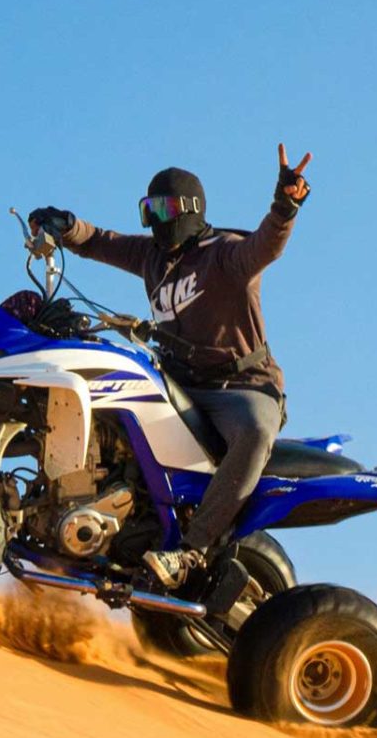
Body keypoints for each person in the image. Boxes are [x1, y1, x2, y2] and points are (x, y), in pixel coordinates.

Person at [29, 143, 312, 588]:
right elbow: (102, 243)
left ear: (192, 210)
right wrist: (66, 227)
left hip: (242, 388)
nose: (158, 218)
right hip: (177, 384)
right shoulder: (152, 259)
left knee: (256, 434)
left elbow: (267, 246)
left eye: (166, 207)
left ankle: (191, 551)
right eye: (149, 209)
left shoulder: (226, 254)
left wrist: (284, 207)